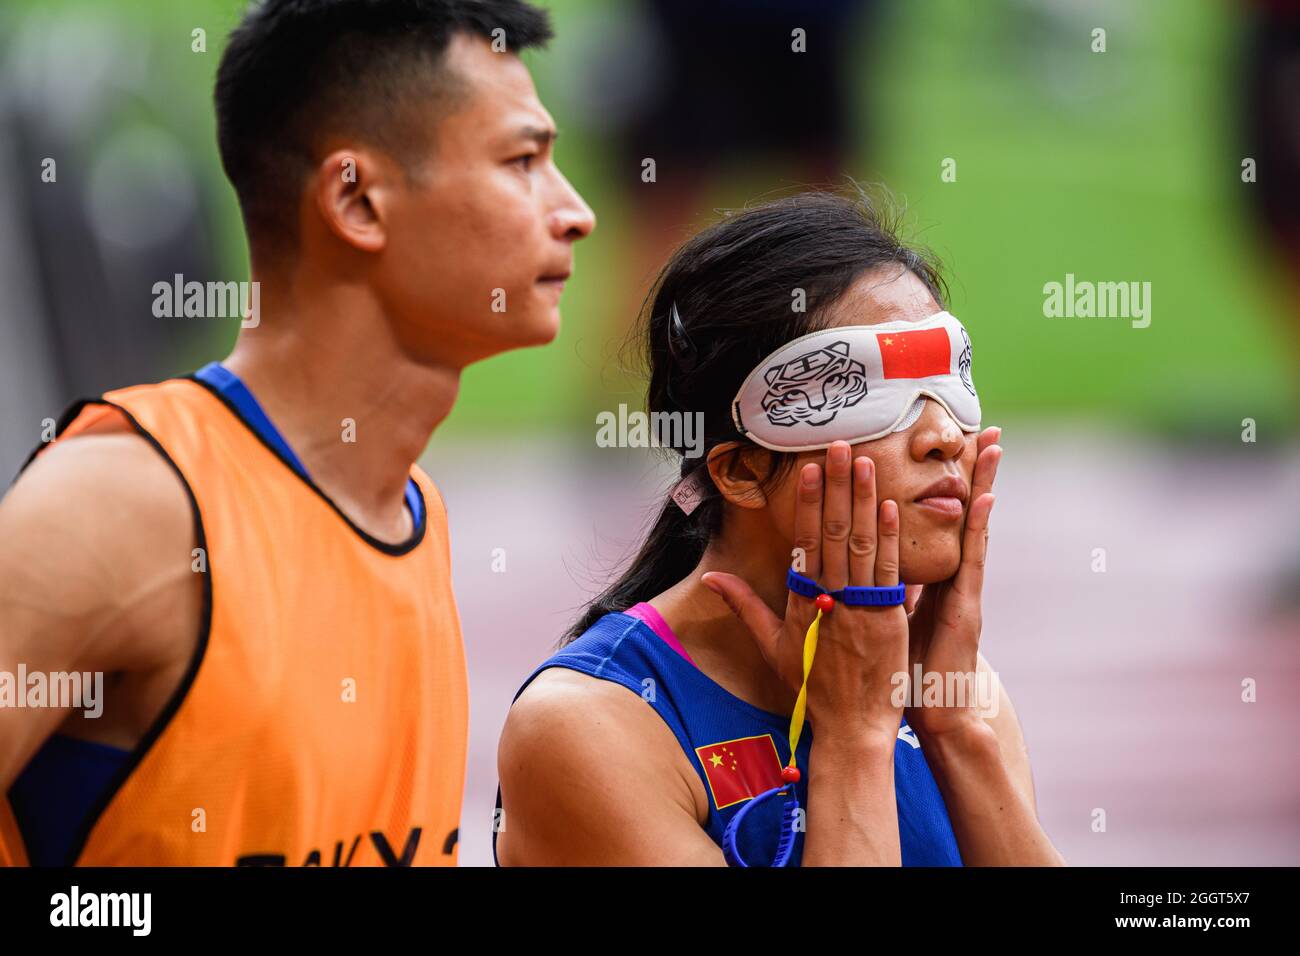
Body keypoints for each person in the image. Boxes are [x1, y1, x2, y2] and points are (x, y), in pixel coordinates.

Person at [0, 0, 594, 867]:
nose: (574, 210)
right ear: (355, 200)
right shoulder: (129, 504)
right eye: (523, 160)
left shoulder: (409, 514)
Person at [495, 191, 1063, 865]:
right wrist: (854, 737)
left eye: (948, 382)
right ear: (739, 470)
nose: (945, 436)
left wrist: (958, 732)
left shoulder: (954, 692)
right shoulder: (592, 727)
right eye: (872, 395)